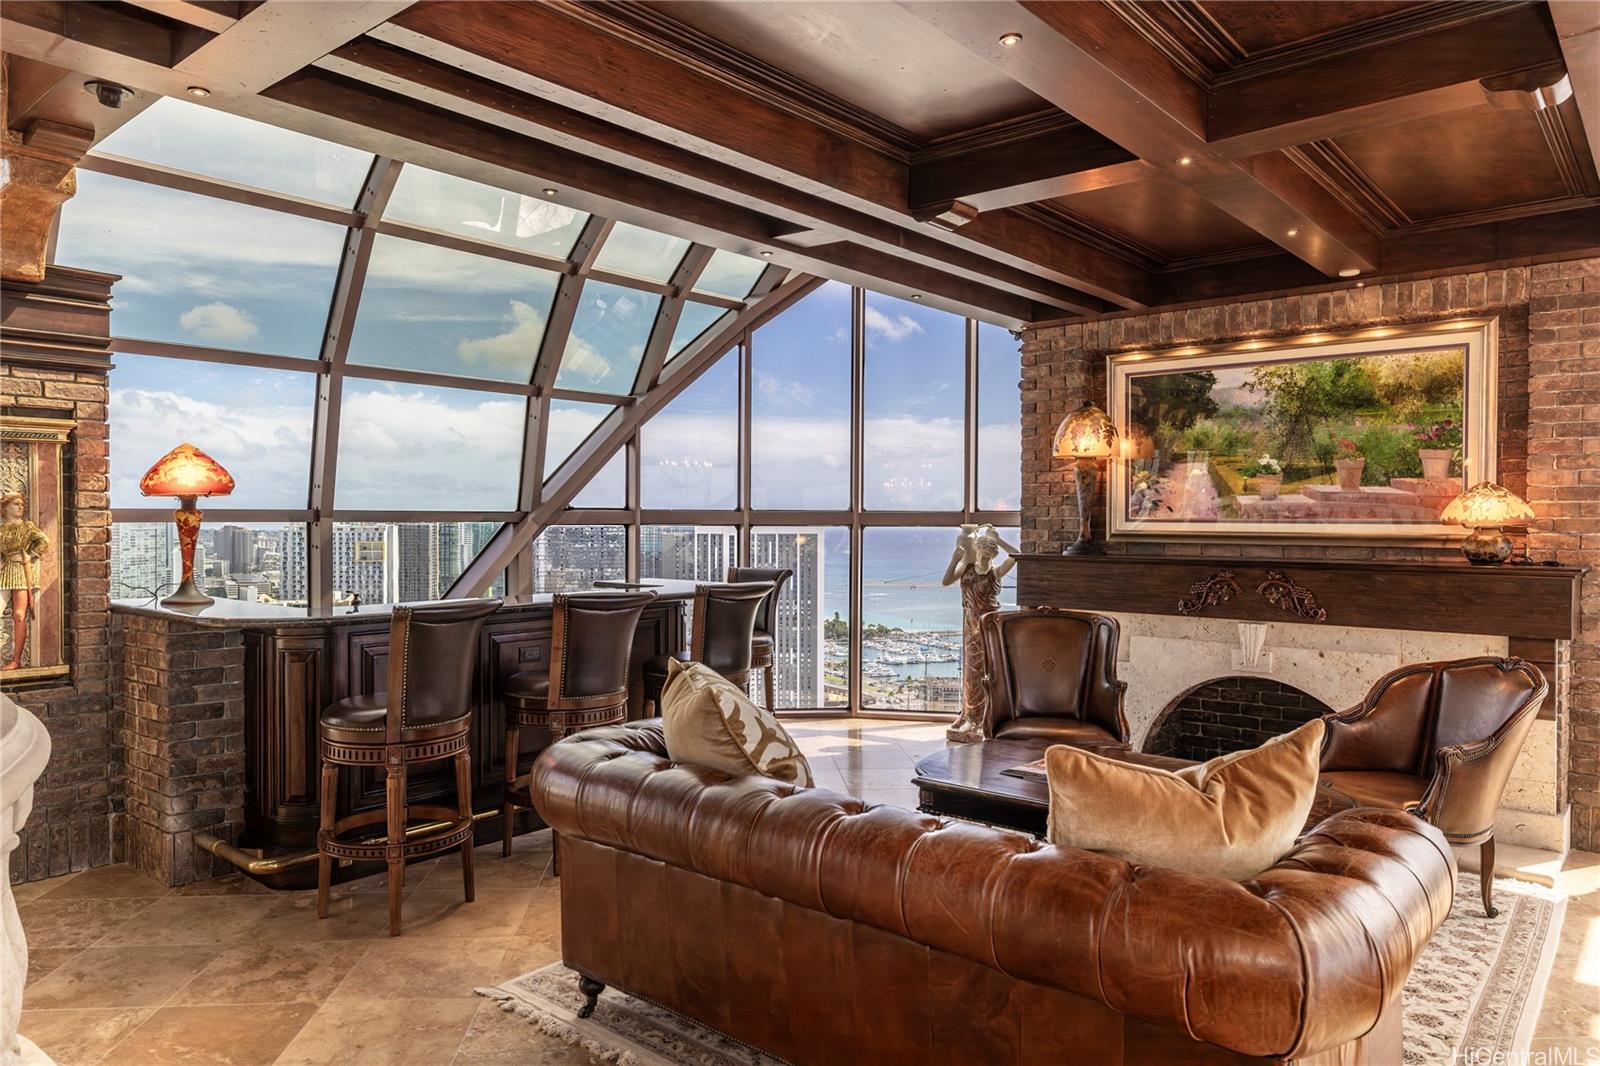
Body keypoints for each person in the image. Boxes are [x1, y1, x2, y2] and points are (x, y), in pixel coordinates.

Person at [940, 524, 1018, 742]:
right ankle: (969, 715)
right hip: (969, 623)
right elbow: (946, 581)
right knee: (970, 672)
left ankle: (982, 718)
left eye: (987, 550)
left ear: (993, 553)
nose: (982, 553)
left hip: (988, 625)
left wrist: (998, 539)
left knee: (986, 671)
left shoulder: (996, 572)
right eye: (980, 548)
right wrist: (955, 559)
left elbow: (1017, 555)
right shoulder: (967, 569)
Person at [0, 491, 49, 672]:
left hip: (21, 570)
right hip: (4, 571)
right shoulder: (2, 529)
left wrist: (31, 555)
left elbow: (44, 540)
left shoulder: (27, 527)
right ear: (5, 508)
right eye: (16, 504)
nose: (20, 507)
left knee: (19, 616)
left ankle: (16, 660)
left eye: (21, 504)